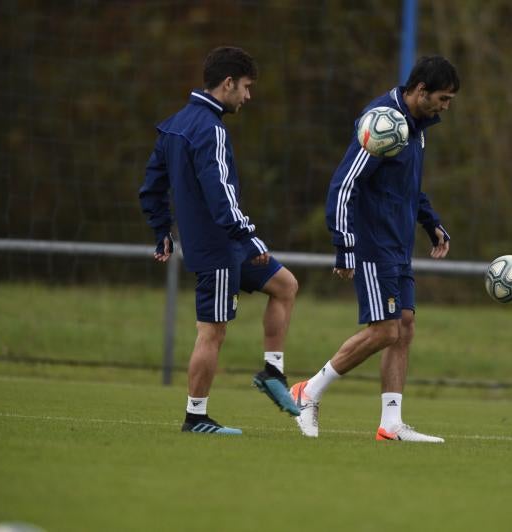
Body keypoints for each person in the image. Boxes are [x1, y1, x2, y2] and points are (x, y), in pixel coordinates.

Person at [290, 56, 459, 443]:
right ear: (421, 91)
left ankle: (391, 423)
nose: (446, 107)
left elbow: (409, 186)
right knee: (384, 330)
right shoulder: (383, 122)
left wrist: (431, 223)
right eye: (443, 98)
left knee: (404, 326)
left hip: (398, 244)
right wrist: (345, 244)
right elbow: (344, 184)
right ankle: (308, 391)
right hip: (372, 243)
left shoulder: (417, 127)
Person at [139, 46, 300, 436]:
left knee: (285, 285)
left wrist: (161, 230)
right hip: (220, 248)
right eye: (246, 87)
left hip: (225, 244)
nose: (248, 96)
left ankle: (272, 372)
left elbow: (151, 187)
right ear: (228, 83)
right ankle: (196, 417)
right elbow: (221, 194)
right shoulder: (210, 129)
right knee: (212, 332)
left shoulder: (174, 124)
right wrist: (250, 237)